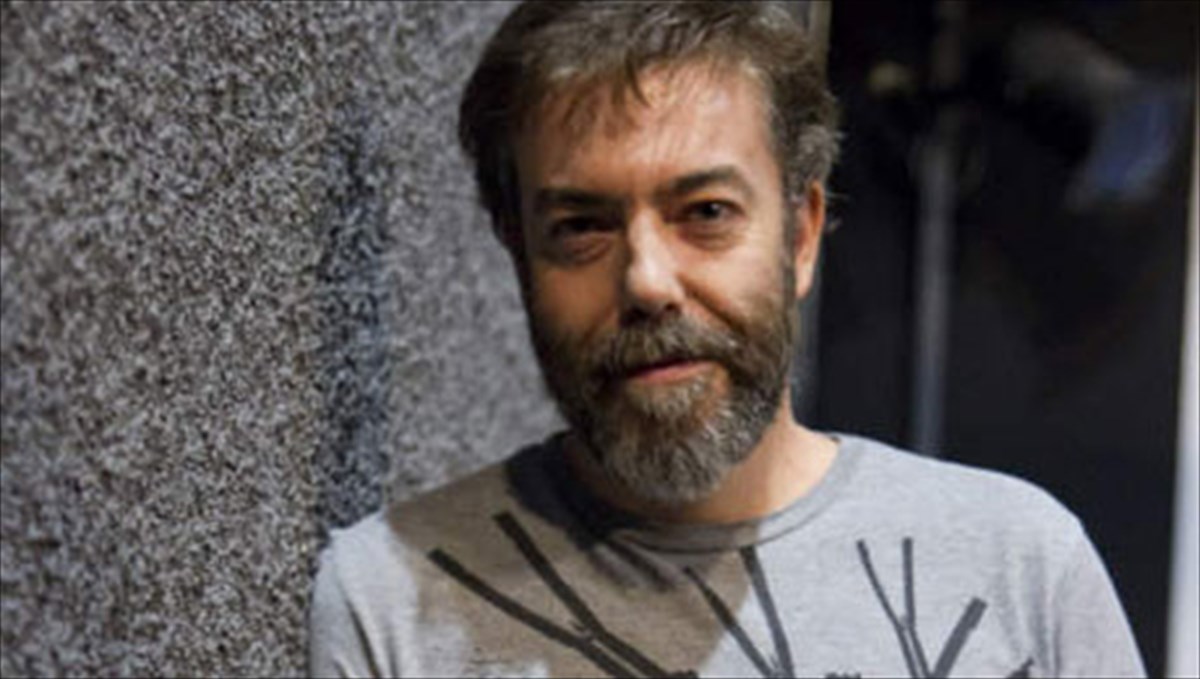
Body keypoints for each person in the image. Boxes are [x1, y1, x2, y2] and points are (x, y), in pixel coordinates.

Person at [309, 2, 1145, 676]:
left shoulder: (1018, 570)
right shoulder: (392, 597)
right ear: (519, 252)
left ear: (802, 234)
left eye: (706, 212)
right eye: (581, 226)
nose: (647, 281)